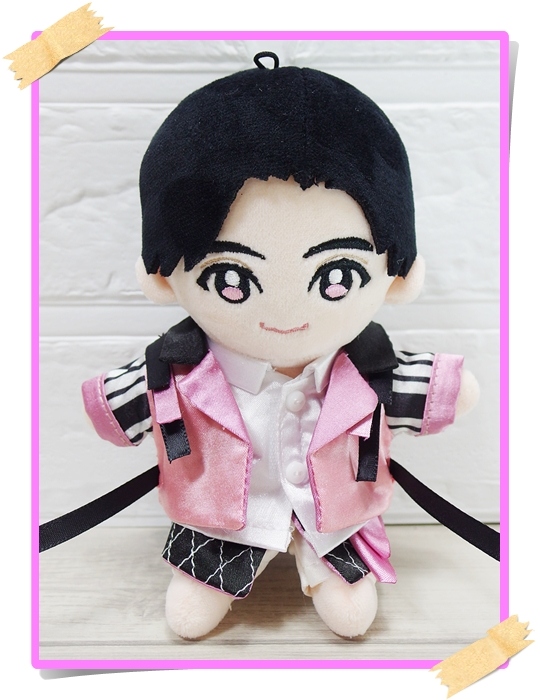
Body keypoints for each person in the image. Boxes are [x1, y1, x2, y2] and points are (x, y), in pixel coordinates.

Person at [83, 55, 479, 639]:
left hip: (336, 523)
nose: (288, 313)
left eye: (337, 276)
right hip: (220, 524)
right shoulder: (176, 374)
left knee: (352, 618)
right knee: (187, 620)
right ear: (162, 275)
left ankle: (323, 563)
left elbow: (448, 393)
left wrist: (448, 390)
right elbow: (114, 413)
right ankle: (220, 571)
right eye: (231, 279)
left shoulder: (372, 373)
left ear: (400, 274)